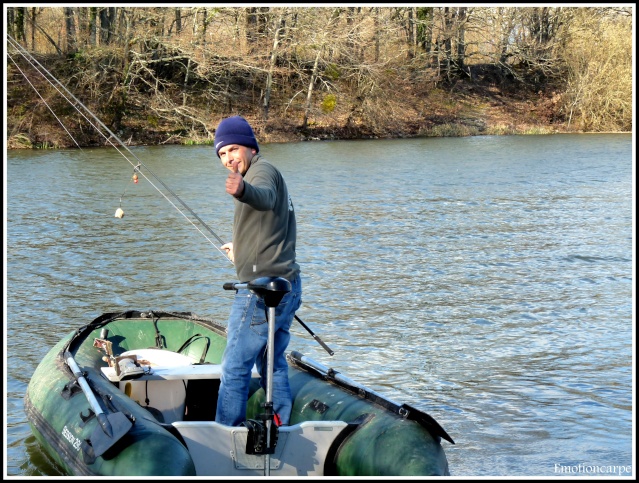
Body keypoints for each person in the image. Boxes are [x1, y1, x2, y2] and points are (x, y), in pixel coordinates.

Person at [213, 115, 302, 427]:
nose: (228, 158)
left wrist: (242, 191)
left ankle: (226, 437)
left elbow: (262, 198)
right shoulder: (265, 172)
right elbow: (270, 226)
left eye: (233, 149)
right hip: (286, 284)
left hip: (260, 292)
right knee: (271, 363)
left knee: (235, 367)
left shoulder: (261, 172)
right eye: (222, 154)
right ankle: (282, 427)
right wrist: (240, 253)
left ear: (250, 147)